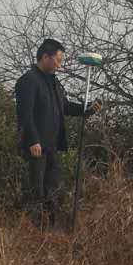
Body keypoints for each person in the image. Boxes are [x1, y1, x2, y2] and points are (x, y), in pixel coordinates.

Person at [14, 39, 98, 228]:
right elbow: (25, 115)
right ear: (45, 57)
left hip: (52, 147)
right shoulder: (29, 81)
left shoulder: (53, 82)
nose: (60, 65)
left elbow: (65, 106)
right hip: (36, 148)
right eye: (57, 60)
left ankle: (50, 232)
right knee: (37, 192)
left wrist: (87, 110)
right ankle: (34, 234)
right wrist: (33, 140)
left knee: (54, 191)